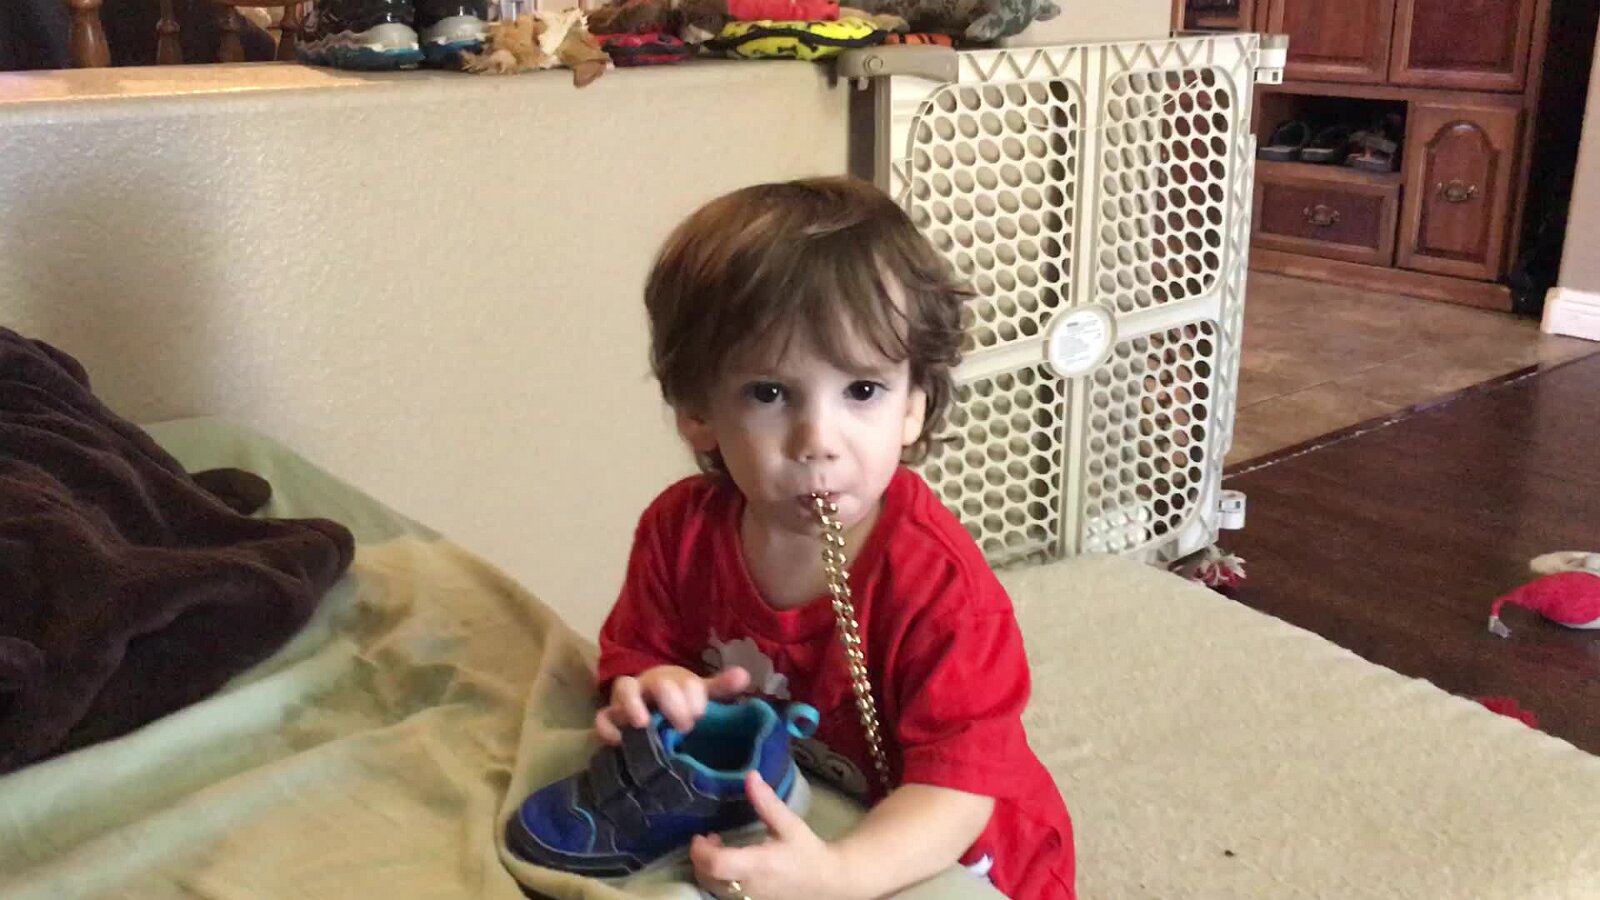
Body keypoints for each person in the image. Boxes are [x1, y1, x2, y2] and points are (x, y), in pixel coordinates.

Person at [595, 176, 1075, 899]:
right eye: (770, 393)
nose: (817, 440)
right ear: (698, 412)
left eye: (862, 391)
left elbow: (960, 787)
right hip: (793, 816)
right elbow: (638, 656)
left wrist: (844, 875)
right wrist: (656, 688)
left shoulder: (942, 589)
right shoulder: (678, 533)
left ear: (913, 407)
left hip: (952, 858)